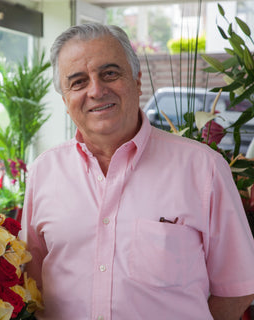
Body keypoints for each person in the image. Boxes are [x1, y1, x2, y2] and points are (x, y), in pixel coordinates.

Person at [20, 22, 254, 320]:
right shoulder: (44, 171)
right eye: (78, 82)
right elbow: (31, 281)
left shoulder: (203, 169)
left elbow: (237, 288)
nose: (96, 90)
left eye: (110, 74)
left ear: (137, 81)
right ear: (65, 100)